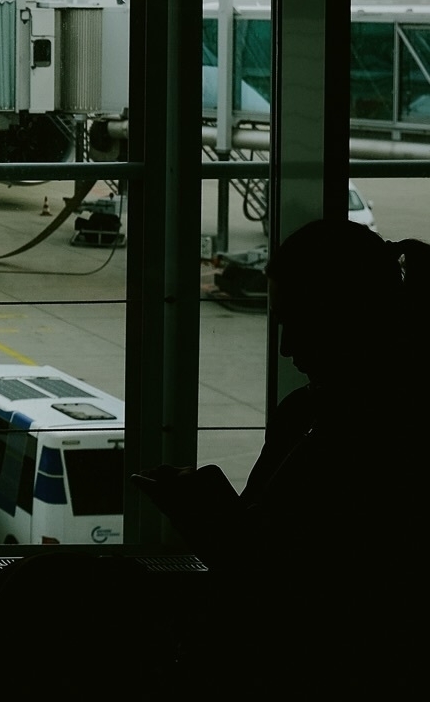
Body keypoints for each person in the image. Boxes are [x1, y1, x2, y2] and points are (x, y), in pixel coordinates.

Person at [136, 218, 426, 693]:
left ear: (353, 317)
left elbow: (299, 588)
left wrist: (209, 515)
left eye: (302, 323)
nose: (288, 347)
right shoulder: (313, 412)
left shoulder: (378, 432)